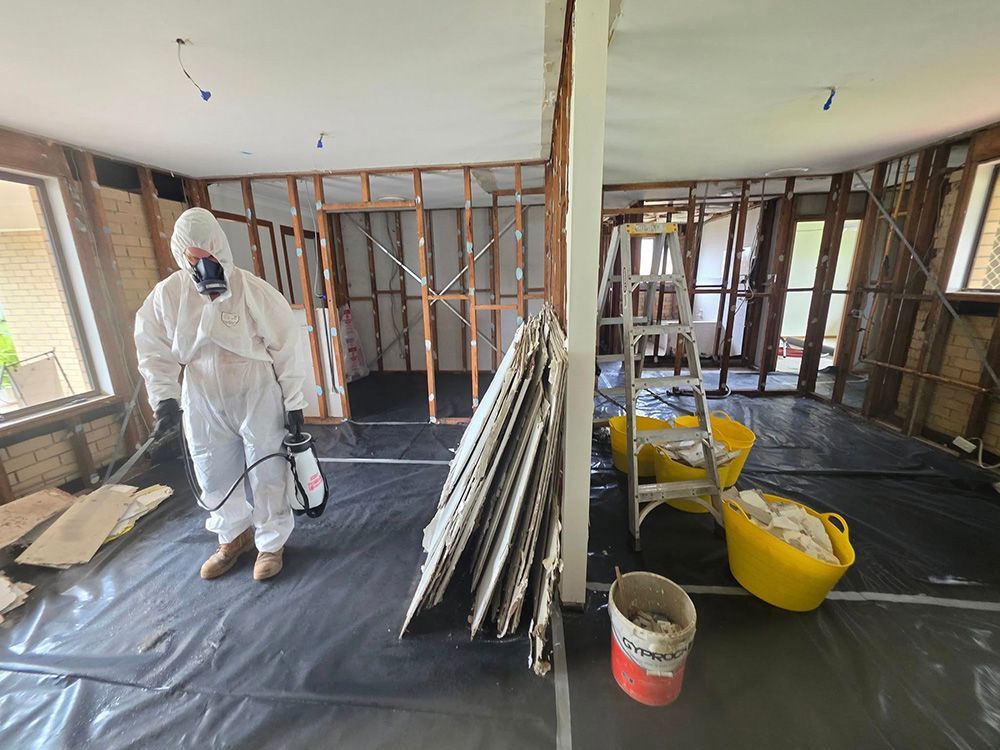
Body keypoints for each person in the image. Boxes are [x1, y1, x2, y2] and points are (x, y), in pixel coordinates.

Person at [134, 207, 308, 581]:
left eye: (208, 256)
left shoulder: (251, 290)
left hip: (256, 389)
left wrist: (294, 401)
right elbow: (152, 348)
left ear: (221, 250)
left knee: (268, 468)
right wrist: (164, 398)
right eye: (193, 258)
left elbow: (287, 346)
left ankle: (270, 543)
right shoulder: (169, 295)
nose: (202, 265)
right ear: (181, 255)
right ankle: (233, 536)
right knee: (211, 470)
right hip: (201, 392)